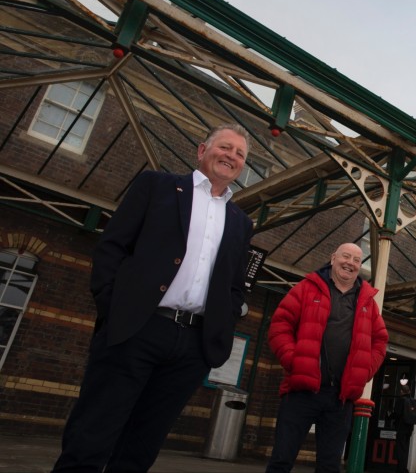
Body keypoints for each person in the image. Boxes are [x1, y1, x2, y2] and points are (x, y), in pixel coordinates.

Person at [53, 124, 254, 472]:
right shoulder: (156, 186)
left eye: (239, 154)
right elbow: (112, 247)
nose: (231, 156)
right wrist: (115, 308)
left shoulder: (240, 222)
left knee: (141, 448)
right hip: (138, 328)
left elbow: (235, 286)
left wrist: (221, 324)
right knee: (92, 435)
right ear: (202, 150)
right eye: (225, 147)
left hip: (192, 345)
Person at [265, 243, 388, 473]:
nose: (350, 263)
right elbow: (280, 325)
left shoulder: (367, 302)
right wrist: (294, 361)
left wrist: (364, 371)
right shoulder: (306, 288)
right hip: (301, 391)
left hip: (340, 398)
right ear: (333, 258)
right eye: (346, 256)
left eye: (356, 260)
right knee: (282, 459)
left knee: (330, 466)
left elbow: (380, 341)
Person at [393, 383, 416, 473]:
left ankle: (401, 470)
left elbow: (396, 413)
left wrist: (391, 417)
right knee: (405, 448)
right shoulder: (414, 401)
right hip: (410, 428)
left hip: (401, 427)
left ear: (402, 392)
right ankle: (403, 469)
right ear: (409, 391)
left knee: (400, 449)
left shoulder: (401, 400)